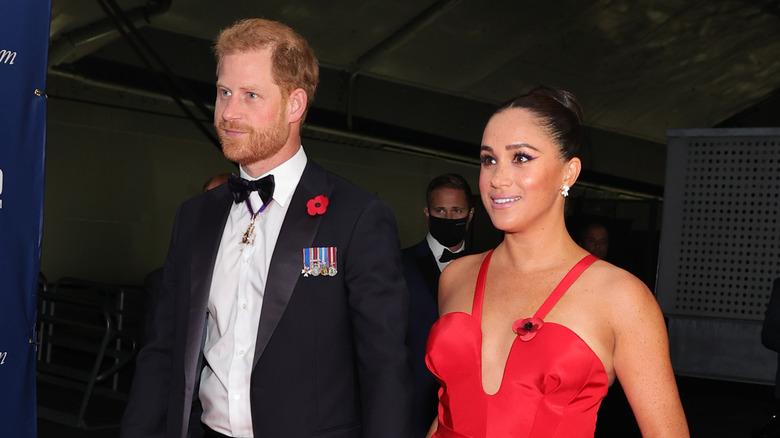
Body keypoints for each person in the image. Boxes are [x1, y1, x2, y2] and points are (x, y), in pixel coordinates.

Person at [120, 18, 413, 438]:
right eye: (224, 93)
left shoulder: (357, 217)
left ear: (295, 105)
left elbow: (385, 370)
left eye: (250, 95)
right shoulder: (195, 216)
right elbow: (162, 352)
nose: (229, 112)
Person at [424, 85, 689, 437]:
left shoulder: (622, 297)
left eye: (520, 157)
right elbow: (449, 412)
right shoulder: (456, 277)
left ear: (569, 173)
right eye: (489, 159)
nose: (497, 179)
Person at [402, 173, 474, 437]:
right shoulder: (398, 264)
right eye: (440, 210)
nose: (449, 217)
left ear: (470, 214)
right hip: (411, 402)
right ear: (427, 212)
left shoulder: (489, 268)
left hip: (467, 404)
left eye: (457, 210)